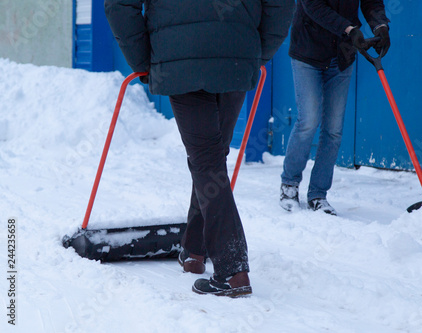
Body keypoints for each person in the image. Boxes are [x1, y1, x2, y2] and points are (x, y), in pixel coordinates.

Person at [104, 0, 294, 297]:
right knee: (211, 158)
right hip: (236, 53)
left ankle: (232, 272)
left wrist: (145, 61)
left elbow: (119, 6)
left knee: (208, 160)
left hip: (180, 58)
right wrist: (258, 51)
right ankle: (194, 251)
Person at [280, 0, 390, 215]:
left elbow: (371, 1)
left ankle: (318, 194)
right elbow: (314, 6)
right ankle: (289, 185)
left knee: (333, 130)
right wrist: (349, 29)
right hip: (307, 53)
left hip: (341, 57)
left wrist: (380, 26)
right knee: (308, 122)